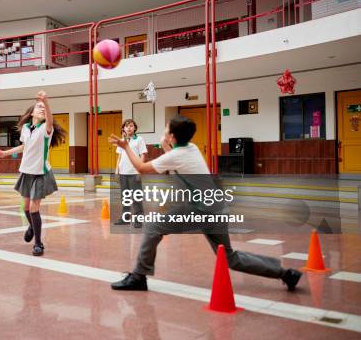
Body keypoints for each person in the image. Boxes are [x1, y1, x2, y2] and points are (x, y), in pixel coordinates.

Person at [109, 115, 302, 291]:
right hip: (215, 207)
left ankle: (138, 277)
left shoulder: (177, 155)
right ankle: (285, 273)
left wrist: (126, 147)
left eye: (167, 129)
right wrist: (166, 143)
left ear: (172, 136)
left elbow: (142, 168)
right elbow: (173, 158)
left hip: (200, 209)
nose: (164, 131)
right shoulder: (191, 149)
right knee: (230, 258)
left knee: (152, 227)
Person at [0, 91, 66, 256]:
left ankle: (38, 243)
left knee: (34, 208)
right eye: (38, 107)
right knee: (25, 207)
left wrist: (46, 102)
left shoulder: (48, 128)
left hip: (41, 172)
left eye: (43, 108)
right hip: (26, 171)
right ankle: (32, 226)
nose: (41, 109)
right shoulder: (26, 128)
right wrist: (4, 153)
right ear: (32, 113)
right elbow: (24, 147)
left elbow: (50, 118)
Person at [115, 119, 147, 228]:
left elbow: (143, 155)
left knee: (136, 197)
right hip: (123, 172)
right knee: (125, 197)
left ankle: (138, 219)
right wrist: (116, 170)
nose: (129, 128)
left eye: (131, 126)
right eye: (126, 126)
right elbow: (119, 156)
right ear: (123, 128)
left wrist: (140, 169)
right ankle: (126, 218)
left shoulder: (139, 139)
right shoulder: (121, 140)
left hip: (134, 172)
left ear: (135, 128)